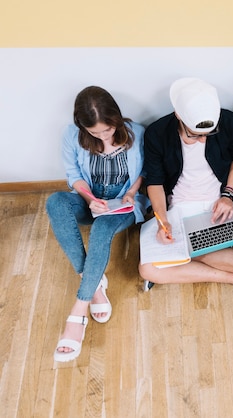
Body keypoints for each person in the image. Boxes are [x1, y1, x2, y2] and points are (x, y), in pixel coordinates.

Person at [138, 77, 233, 306]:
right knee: (147, 270)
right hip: (179, 208)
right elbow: (155, 182)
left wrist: (228, 195)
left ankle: (182, 260)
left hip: (218, 205)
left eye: (207, 135)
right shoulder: (157, 133)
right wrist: (162, 219)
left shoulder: (228, 122)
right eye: (194, 135)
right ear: (178, 115)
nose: (201, 140)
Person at [47, 86, 148, 362]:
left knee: (103, 229)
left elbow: (147, 171)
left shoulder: (137, 132)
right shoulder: (71, 135)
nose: (104, 137)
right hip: (91, 199)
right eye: (96, 133)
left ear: (116, 117)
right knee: (55, 203)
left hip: (123, 203)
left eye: (108, 130)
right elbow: (73, 175)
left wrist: (129, 193)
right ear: (83, 128)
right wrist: (90, 199)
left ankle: (78, 311)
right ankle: (93, 283)